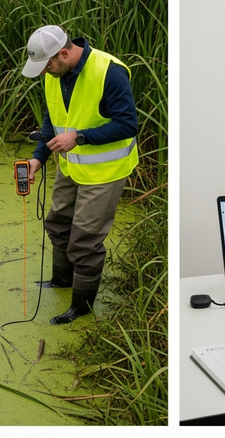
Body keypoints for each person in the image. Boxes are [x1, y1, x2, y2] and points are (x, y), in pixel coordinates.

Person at [21, 26, 138, 324]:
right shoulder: (54, 74)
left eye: (47, 66)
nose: (45, 73)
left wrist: (81, 137)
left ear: (63, 53)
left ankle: (81, 307)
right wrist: (38, 159)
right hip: (71, 167)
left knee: (84, 240)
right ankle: (61, 281)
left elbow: (128, 125)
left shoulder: (109, 71)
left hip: (105, 171)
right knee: (57, 223)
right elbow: (53, 122)